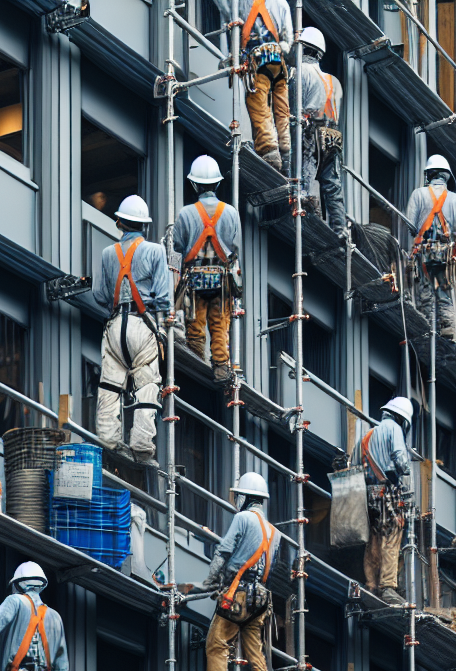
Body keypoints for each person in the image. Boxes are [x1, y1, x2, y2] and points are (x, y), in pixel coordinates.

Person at [92, 195, 174, 468]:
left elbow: (100, 296)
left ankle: (108, 440)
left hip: (115, 326)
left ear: (119, 222)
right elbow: (163, 297)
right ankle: (141, 447)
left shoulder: (107, 254)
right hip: (143, 324)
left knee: (110, 385)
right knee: (147, 385)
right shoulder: (155, 251)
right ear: (144, 226)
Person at [190, 473, 278, 671]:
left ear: (246, 497)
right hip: (260, 598)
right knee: (255, 654)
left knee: (216, 642)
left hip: (238, 594)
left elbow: (224, 551)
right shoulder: (273, 532)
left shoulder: (242, 518)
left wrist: (210, 581)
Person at [174, 156, 243, 380]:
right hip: (222, 280)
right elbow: (235, 249)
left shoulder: (185, 213)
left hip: (193, 280)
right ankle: (221, 367)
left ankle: (196, 365)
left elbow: (176, 249)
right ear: (217, 184)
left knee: (194, 329)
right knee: (220, 326)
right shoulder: (231, 213)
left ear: (194, 184)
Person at [404, 154, 456, 343]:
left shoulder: (418, 194)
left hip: (424, 253)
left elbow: (410, 225)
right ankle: (447, 331)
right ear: (447, 176)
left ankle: (428, 329)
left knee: (426, 294)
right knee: (445, 293)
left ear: (429, 174)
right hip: (445, 255)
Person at [359, 397, 414, 605]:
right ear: (402, 418)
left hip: (369, 493)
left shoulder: (368, 435)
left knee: (373, 538)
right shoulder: (394, 429)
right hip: (389, 492)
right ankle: (388, 586)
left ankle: (371, 583)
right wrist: (406, 471)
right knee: (392, 537)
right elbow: (400, 460)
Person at [296, 27, 345, 235]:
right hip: (332, 136)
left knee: (305, 173)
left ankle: (305, 207)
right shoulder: (334, 82)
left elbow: (298, 109)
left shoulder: (302, 72)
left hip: (312, 132)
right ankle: (340, 227)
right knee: (332, 185)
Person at [240, 0, 293, 170]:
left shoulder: (242, 2)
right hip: (278, 62)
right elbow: (288, 40)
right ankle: (285, 151)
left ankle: (269, 152)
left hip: (258, 61)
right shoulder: (282, 3)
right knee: (282, 110)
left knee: (259, 107)